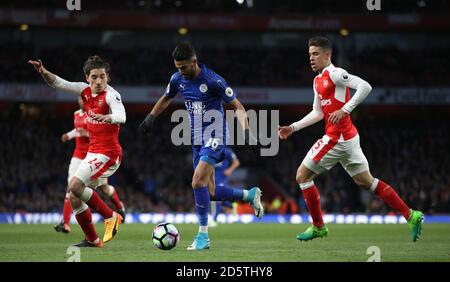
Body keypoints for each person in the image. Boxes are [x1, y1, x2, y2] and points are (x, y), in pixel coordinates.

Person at [278, 36, 424, 242]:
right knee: (367, 182)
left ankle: (318, 226)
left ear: (327, 55)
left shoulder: (336, 74)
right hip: (349, 138)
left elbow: (365, 86)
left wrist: (345, 109)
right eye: (310, 54)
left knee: (302, 176)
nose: (311, 58)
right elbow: (317, 113)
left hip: (336, 138)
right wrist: (292, 128)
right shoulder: (317, 80)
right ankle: (411, 215)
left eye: (316, 54)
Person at [139, 42, 264, 250]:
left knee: (197, 182)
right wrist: (151, 116)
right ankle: (248, 195)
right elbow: (165, 98)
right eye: (177, 67)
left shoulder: (213, 81)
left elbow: (238, 106)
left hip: (215, 135)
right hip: (197, 140)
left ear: (194, 62)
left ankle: (203, 236)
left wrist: (248, 133)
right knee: (211, 192)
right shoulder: (177, 79)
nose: (180, 71)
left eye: (184, 67)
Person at [29, 55, 125, 247]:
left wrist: (110, 118)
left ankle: (111, 216)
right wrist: (44, 72)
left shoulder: (111, 95)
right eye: (95, 77)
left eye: (103, 77)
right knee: (74, 196)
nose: (99, 81)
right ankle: (93, 239)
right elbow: (58, 83)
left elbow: (121, 115)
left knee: (74, 186)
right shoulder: (84, 90)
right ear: (87, 77)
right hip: (92, 153)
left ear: (108, 77)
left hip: (108, 154)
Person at [54, 97, 126, 234]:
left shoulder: (93, 114)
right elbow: (77, 130)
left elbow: (99, 133)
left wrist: (85, 133)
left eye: (83, 100)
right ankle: (66, 223)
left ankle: (119, 206)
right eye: (79, 99)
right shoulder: (76, 114)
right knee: (71, 187)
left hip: (93, 156)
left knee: (104, 188)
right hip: (77, 156)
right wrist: (68, 136)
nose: (81, 102)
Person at [209, 147, 240, 227]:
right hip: (212, 179)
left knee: (216, 197)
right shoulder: (211, 151)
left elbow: (236, 162)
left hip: (221, 179)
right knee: (219, 198)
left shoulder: (227, 151)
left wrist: (230, 170)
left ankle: (214, 220)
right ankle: (231, 206)